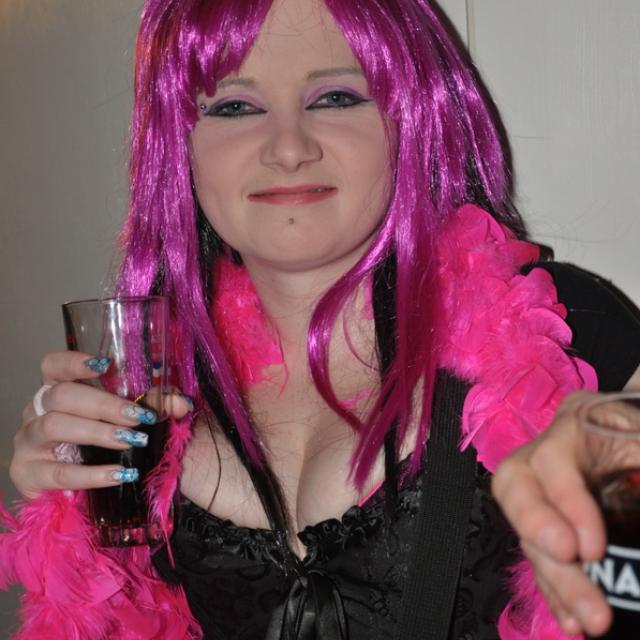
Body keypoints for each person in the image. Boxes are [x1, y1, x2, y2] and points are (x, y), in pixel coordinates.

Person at [2, 0, 640, 638]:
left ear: (413, 118)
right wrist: (67, 513)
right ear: (179, 143)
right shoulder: (148, 385)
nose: (288, 149)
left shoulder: (562, 334)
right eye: (234, 107)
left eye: (335, 98)